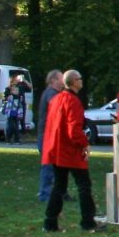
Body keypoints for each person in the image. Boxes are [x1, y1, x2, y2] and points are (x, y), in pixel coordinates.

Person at [41, 69, 100, 232]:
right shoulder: (73, 101)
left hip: (56, 149)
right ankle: (88, 221)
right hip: (69, 150)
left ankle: (50, 222)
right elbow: (73, 129)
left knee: (59, 186)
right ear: (74, 82)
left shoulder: (56, 99)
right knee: (84, 185)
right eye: (80, 78)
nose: (82, 81)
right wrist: (84, 143)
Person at [37, 69, 64, 203]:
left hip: (51, 136)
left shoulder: (54, 94)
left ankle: (58, 192)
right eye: (61, 79)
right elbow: (58, 107)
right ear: (53, 81)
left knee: (57, 167)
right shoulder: (51, 94)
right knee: (48, 166)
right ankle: (45, 194)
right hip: (47, 137)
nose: (63, 81)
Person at [1, 80, 26, 144]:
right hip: (10, 114)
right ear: (12, 91)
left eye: (17, 90)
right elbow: (7, 106)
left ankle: (16, 140)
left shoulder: (19, 98)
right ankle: (8, 139)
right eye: (15, 90)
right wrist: (7, 114)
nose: (17, 92)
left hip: (16, 114)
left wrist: (20, 114)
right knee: (9, 126)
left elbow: (20, 106)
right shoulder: (10, 97)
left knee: (16, 127)